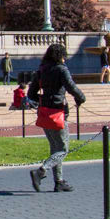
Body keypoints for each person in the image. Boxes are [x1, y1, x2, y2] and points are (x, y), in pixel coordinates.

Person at [28, 42, 84, 193]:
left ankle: (59, 182)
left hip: (44, 113)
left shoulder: (41, 70)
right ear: (61, 56)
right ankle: (41, 171)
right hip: (58, 113)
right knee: (63, 149)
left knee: (55, 148)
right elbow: (71, 86)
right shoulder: (61, 69)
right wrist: (81, 97)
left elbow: (31, 93)